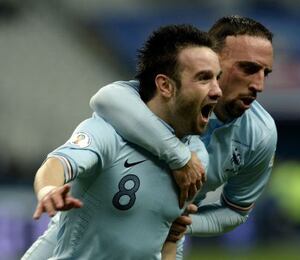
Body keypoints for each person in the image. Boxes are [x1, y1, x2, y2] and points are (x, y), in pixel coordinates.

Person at [22, 24, 222, 259]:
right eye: (204, 78)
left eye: (217, 78)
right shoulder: (108, 133)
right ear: (165, 86)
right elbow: (57, 164)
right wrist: (48, 190)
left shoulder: (197, 156)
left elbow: (170, 240)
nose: (217, 90)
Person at [90, 15, 277, 259]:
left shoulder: (260, 134)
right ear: (212, 59)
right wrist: (180, 158)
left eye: (266, 73)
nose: (259, 85)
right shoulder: (162, 96)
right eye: (249, 69)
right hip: (89, 234)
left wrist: (183, 223)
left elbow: (237, 211)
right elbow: (105, 99)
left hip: (163, 244)